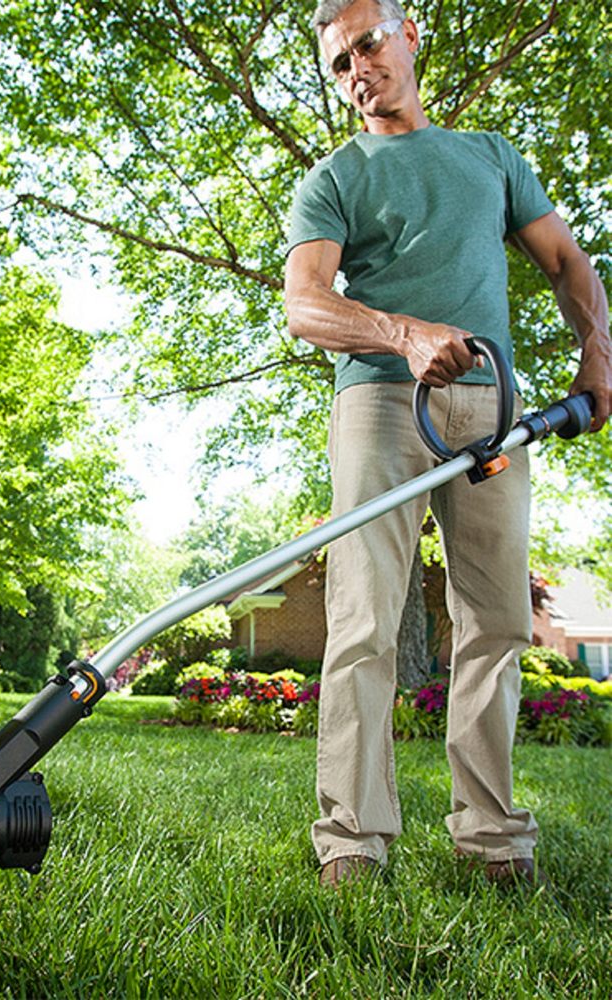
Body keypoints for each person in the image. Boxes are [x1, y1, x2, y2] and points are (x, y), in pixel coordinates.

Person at [284, 0, 611, 888]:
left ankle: (493, 837)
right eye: (338, 64)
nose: (356, 70)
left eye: (367, 44)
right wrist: (401, 334)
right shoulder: (334, 178)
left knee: (498, 620)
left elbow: (568, 264)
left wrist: (597, 360)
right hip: (383, 406)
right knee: (362, 621)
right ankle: (351, 838)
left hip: (494, 413)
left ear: (408, 34)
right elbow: (305, 303)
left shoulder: (489, 156)